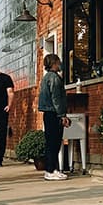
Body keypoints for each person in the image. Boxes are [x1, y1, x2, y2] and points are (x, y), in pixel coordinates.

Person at [38, 53, 69, 181]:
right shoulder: (55, 78)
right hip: (54, 113)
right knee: (54, 142)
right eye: (58, 62)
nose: (60, 64)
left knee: (51, 142)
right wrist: (62, 115)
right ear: (54, 63)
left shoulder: (46, 78)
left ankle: (52, 169)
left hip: (48, 113)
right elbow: (56, 98)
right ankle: (51, 170)